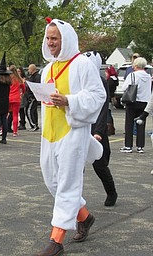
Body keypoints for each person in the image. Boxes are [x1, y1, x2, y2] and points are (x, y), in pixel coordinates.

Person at [36, 18, 106, 256]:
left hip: (73, 134)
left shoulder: (82, 65)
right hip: (50, 133)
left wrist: (69, 101)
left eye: (54, 38)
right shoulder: (47, 68)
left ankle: (56, 240)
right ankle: (84, 217)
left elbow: (98, 96)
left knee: (67, 184)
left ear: (66, 39)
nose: (50, 42)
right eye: (48, 38)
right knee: (51, 181)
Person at [83, 51, 118, 207]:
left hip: (97, 126)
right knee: (77, 165)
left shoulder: (101, 82)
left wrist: (98, 131)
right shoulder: (79, 79)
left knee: (99, 164)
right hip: (81, 126)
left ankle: (111, 192)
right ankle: (73, 198)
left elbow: (103, 108)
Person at [120, 57, 151, 154]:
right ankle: (140, 146)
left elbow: (124, 87)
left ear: (136, 65)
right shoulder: (148, 76)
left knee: (129, 124)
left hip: (133, 101)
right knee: (141, 124)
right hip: (145, 102)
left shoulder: (132, 75)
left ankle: (128, 146)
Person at [8, 65, 25, 137]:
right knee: (15, 115)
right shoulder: (19, 79)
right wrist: (22, 93)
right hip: (16, 98)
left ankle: (2, 130)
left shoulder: (8, 79)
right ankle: (15, 131)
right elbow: (24, 88)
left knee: (5, 114)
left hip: (8, 98)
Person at [25, 64, 40, 131]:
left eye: (29, 69)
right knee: (33, 111)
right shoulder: (32, 77)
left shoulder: (36, 77)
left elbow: (36, 87)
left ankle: (34, 125)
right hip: (32, 96)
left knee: (29, 111)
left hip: (33, 97)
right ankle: (35, 124)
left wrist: (32, 96)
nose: (28, 70)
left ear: (32, 69)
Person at [105, 65, 118, 136]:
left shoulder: (110, 81)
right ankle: (112, 129)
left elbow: (108, 90)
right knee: (109, 113)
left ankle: (109, 129)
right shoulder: (115, 79)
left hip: (108, 98)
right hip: (112, 97)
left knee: (108, 114)